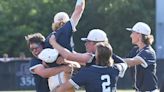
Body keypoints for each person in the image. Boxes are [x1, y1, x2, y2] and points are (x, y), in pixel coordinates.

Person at [43, 0, 85, 91]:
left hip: (52, 79)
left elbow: (45, 63)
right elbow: (79, 9)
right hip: (64, 77)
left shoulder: (48, 38)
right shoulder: (66, 31)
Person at [55, 42, 128, 92]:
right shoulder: (115, 69)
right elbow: (124, 63)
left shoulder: (88, 72)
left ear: (97, 56)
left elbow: (62, 88)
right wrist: (108, 52)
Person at [49, 29, 124, 66]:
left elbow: (68, 56)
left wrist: (53, 43)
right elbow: (124, 63)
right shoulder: (109, 56)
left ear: (94, 43)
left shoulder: (91, 57)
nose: (85, 44)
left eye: (87, 42)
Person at [124, 22, 158, 92]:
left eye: (133, 32)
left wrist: (109, 59)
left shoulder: (148, 52)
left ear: (139, 35)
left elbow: (131, 62)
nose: (131, 35)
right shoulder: (135, 50)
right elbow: (124, 61)